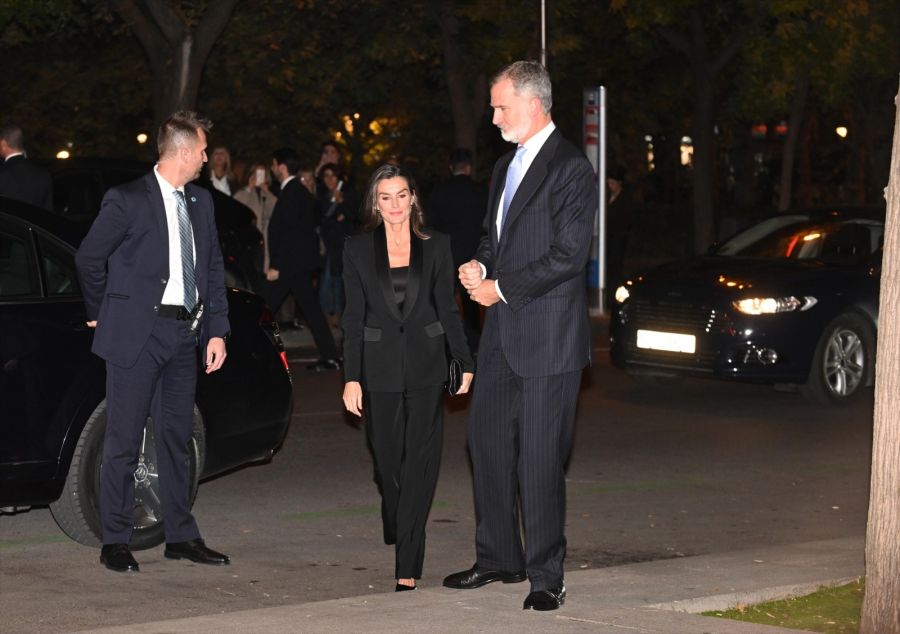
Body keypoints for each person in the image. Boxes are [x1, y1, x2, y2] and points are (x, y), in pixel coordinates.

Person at [444, 61, 597, 612]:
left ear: (534, 104)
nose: (493, 116)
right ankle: (498, 559)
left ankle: (545, 575)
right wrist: (480, 270)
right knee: (483, 443)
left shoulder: (572, 169)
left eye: (501, 106)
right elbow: (494, 236)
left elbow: (567, 256)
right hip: (503, 333)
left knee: (538, 458)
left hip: (548, 338)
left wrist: (501, 288)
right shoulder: (507, 165)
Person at [74, 111, 231, 573]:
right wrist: (101, 314)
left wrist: (217, 329)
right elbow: (88, 259)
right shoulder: (126, 200)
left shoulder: (201, 202)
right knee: (123, 439)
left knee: (176, 439)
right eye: (202, 151)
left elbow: (214, 270)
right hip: (136, 337)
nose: (205, 159)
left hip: (185, 334)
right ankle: (116, 540)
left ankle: (181, 535)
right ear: (183, 152)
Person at [342, 163, 474, 591]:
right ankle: (394, 509)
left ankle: (408, 565)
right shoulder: (358, 249)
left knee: (420, 462)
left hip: (426, 363)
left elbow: (448, 308)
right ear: (375, 204)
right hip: (378, 367)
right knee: (387, 462)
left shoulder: (437, 245)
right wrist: (351, 376)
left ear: (413, 198)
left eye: (401, 195)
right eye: (385, 197)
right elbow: (353, 318)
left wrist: (464, 359)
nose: (395, 205)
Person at [265, 148, 341, 372]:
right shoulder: (299, 191)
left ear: (281, 166)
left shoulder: (291, 192)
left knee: (263, 309)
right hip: (298, 265)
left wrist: (276, 265)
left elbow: (290, 232)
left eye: (273, 165)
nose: (271, 169)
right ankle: (331, 356)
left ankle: (250, 354)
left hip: (289, 266)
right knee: (312, 311)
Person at [427, 148, 488, 354]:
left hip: (446, 254)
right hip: (473, 255)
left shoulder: (439, 191)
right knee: (471, 301)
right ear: (469, 168)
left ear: (451, 167)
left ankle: (445, 343)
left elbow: (430, 224)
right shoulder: (481, 191)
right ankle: (474, 342)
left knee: (444, 301)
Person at [316, 162, 356, 328]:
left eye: (333, 175)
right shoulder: (322, 197)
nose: (329, 179)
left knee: (339, 280)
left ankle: (339, 314)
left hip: (343, 246)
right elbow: (322, 219)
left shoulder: (348, 195)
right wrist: (335, 208)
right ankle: (326, 314)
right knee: (327, 280)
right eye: (326, 176)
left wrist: (342, 205)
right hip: (327, 246)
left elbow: (354, 217)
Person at [233, 162, 277, 272]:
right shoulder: (243, 193)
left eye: (262, 173)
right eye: (256, 173)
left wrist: (267, 192)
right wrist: (249, 188)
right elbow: (238, 209)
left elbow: (275, 212)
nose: (259, 177)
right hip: (249, 243)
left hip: (265, 242)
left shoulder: (268, 194)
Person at [0, 123, 53, 211]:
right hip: (35, 224)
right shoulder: (43, 174)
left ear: (3, 144)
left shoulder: (2, 173)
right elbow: (49, 211)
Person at [606, 165, 633, 305]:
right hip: (608, 238)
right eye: (608, 183)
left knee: (615, 268)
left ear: (619, 183)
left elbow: (625, 219)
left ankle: (612, 297)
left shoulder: (625, 199)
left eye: (612, 183)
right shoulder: (607, 196)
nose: (610, 186)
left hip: (618, 238)